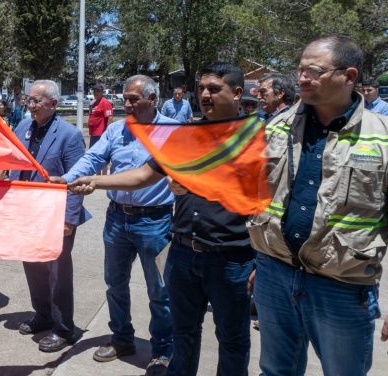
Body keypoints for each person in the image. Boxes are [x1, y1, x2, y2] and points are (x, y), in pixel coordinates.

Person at [69, 63, 255, 375]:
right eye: (202, 89)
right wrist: (95, 181)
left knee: (232, 339)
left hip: (229, 257)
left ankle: (163, 351)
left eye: (214, 89)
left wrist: (262, 263)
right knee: (185, 331)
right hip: (182, 249)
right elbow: (143, 175)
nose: (205, 95)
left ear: (237, 94)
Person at [251, 35, 388, 375]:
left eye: (314, 70)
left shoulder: (381, 137)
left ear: (350, 76)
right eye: (300, 70)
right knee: (275, 370)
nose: (302, 78)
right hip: (275, 274)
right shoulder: (276, 127)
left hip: (341, 284)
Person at [55, 75, 175, 374]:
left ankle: (162, 350)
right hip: (117, 218)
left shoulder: (172, 132)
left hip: (155, 220)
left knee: (160, 291)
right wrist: (68, 179)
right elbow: (93, 158)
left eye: (134, 99)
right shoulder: (117, 130)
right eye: (125, 99)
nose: (128, 104)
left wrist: (93, 182)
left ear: (152, 99)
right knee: (115, 284)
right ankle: (122, 338)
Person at [12, 79, 89, 353]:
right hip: (27, 210)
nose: (29, 105)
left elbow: (77, 179)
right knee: (32, 265)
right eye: (28, 100)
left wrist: (70, 218)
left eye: (35, 101)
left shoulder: (70, 135)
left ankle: (63, 328)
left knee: (58, 272)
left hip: (57, 213)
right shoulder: (22, 127)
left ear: (53, 104)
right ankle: (42, 314)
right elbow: (13, 162)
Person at [88, 83, 114, 148]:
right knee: (92, 151)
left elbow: (110, 117)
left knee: (97, 152)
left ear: (102, 92)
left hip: (100, 134)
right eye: (94, 91)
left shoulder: (105, 102)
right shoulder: (93, 103)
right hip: (93, 133)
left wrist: (107, 133)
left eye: (98, 91)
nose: (95, 93)